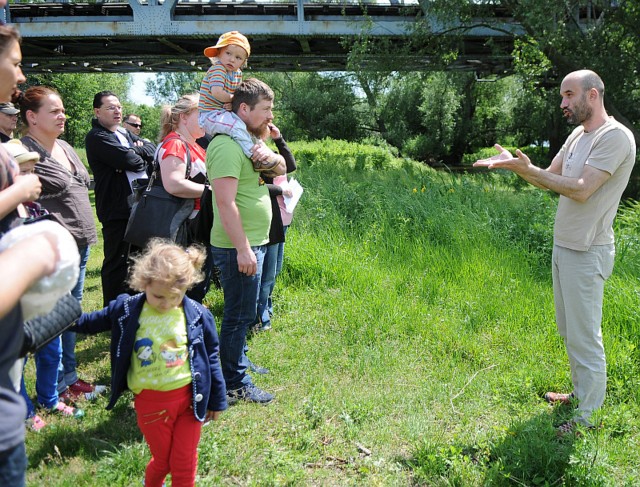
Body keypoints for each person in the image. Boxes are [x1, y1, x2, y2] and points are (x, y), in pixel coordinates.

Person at [474, 69, 636, 434]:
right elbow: (551, 178)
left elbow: (580, 190)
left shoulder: (616, 138)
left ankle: (587, 419)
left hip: (588, 249)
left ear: (592, 95)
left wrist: (528, 170)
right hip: (564, 246)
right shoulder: (578, 134)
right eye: (562, 96)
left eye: (568, 95)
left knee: (585, 335)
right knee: (570, 330)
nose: (562, 103)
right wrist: (520, 168)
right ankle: (580, 395)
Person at [71, 239, 227, 487]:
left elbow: (211, 356)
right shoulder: (128, 309)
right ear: (144, 282)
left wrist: (217, 399)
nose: (165, 304)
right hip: (151, 406)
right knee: (163, 461)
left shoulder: (198, 314)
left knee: (184, 462)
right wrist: (63, 316)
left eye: (174, 297)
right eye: (158, 296)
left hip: (190, 401)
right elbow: (91, 322)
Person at [19, 86, 106, 407]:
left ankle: (68, 377)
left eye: (63, 110)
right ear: (31, 117)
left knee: (70, 315)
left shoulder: (65, 147)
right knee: (52, 320)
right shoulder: (24, 153)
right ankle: (53, 386)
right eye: (54, 111)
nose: (62, 115)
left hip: (80, 246)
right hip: (52, 251)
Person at [207, 78, 285, 404]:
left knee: (246, 311)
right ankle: (234, 383)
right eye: (265, 109)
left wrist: (272, 155)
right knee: (238, 315)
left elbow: (282, 167)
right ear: (243, 109)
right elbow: (225, 203)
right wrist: (242, 248)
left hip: (254, 242)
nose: (270, 116)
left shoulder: (248, 142)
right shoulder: (226, 146)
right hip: (237, 247)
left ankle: (236, 362)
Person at [85, 91, 155, 306]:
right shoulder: (97, 137)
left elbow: (152, 149)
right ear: (97, 112)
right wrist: (137, 152)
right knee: (117, 261)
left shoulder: (125, 133)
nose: (117, 111)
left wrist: (137, 151)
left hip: (139, 206)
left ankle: (134, 306)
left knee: (139, 259)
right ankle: (113, 311)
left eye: (119, 107)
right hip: (117, 209)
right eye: (110, 108)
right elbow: (131, 161)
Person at [198, 31, 284, 174]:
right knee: (236, 126)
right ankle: (254, 157)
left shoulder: (237, 73)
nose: (232, 60)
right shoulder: (218, 68)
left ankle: (261, 150)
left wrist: (233, 103)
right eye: (228, 53)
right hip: (209, 115)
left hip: (222, 112)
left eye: (238, 57)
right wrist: (234, 101)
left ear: (243, 62)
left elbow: (236, 95)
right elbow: (217, 92)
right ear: (218, 54)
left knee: (245, 128)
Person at [254, 123, 297, 332]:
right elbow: (255, 186)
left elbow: (290, 165)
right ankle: (259, 317)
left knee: (274, 270)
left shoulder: (269, 152)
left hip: (281, 220)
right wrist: (280, 189)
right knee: (266, 272)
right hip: (268, 219)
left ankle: (265, 308)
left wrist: (279, 140)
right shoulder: (253, 153)